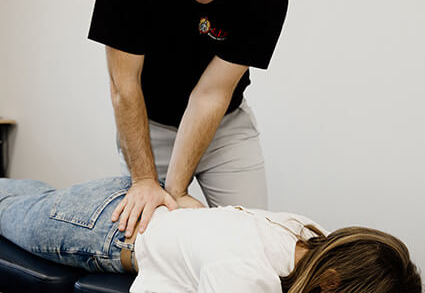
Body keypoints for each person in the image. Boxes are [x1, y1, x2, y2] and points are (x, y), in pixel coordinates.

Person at [88, 0, 289, 238]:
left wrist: (178, 192)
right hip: (149, 123)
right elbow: (124, 86)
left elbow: (211, 94)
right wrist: (147, 181)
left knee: (252, 237)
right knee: (149, 238)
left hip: (224, 127)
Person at [0, 176, 422, 293]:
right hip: (105, 230)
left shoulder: (307, 235)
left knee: (24, 192)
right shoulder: (246, 275)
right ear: (330, 283)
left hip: (132, 202)